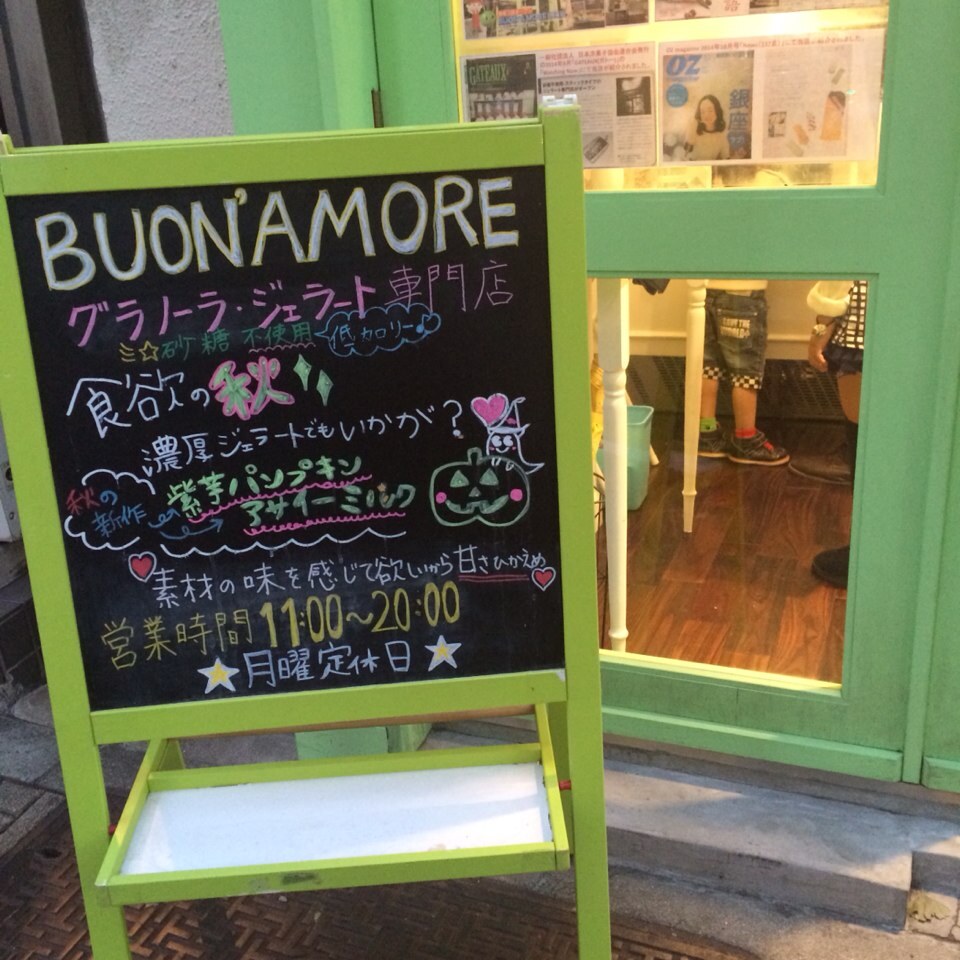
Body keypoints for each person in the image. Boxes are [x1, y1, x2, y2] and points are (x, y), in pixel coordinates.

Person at [802, 279, 866, 587]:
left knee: (863, 435)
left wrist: (820, 329)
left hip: (864, 328)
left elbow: (842, 274)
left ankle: (868, 549)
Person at [697, 279, 790, 465]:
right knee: (745, 371)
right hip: (742, 293)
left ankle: (706, 431)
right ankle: (745, 438)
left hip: (704, 292)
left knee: (708, 366)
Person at [684, 95, 730, 162]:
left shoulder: (721, 136)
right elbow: (686, 154)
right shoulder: (695, 130)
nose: (706, 115)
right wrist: (692, 130)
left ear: (717, 111)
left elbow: (726, 158)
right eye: (703, 112)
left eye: (710, 110)